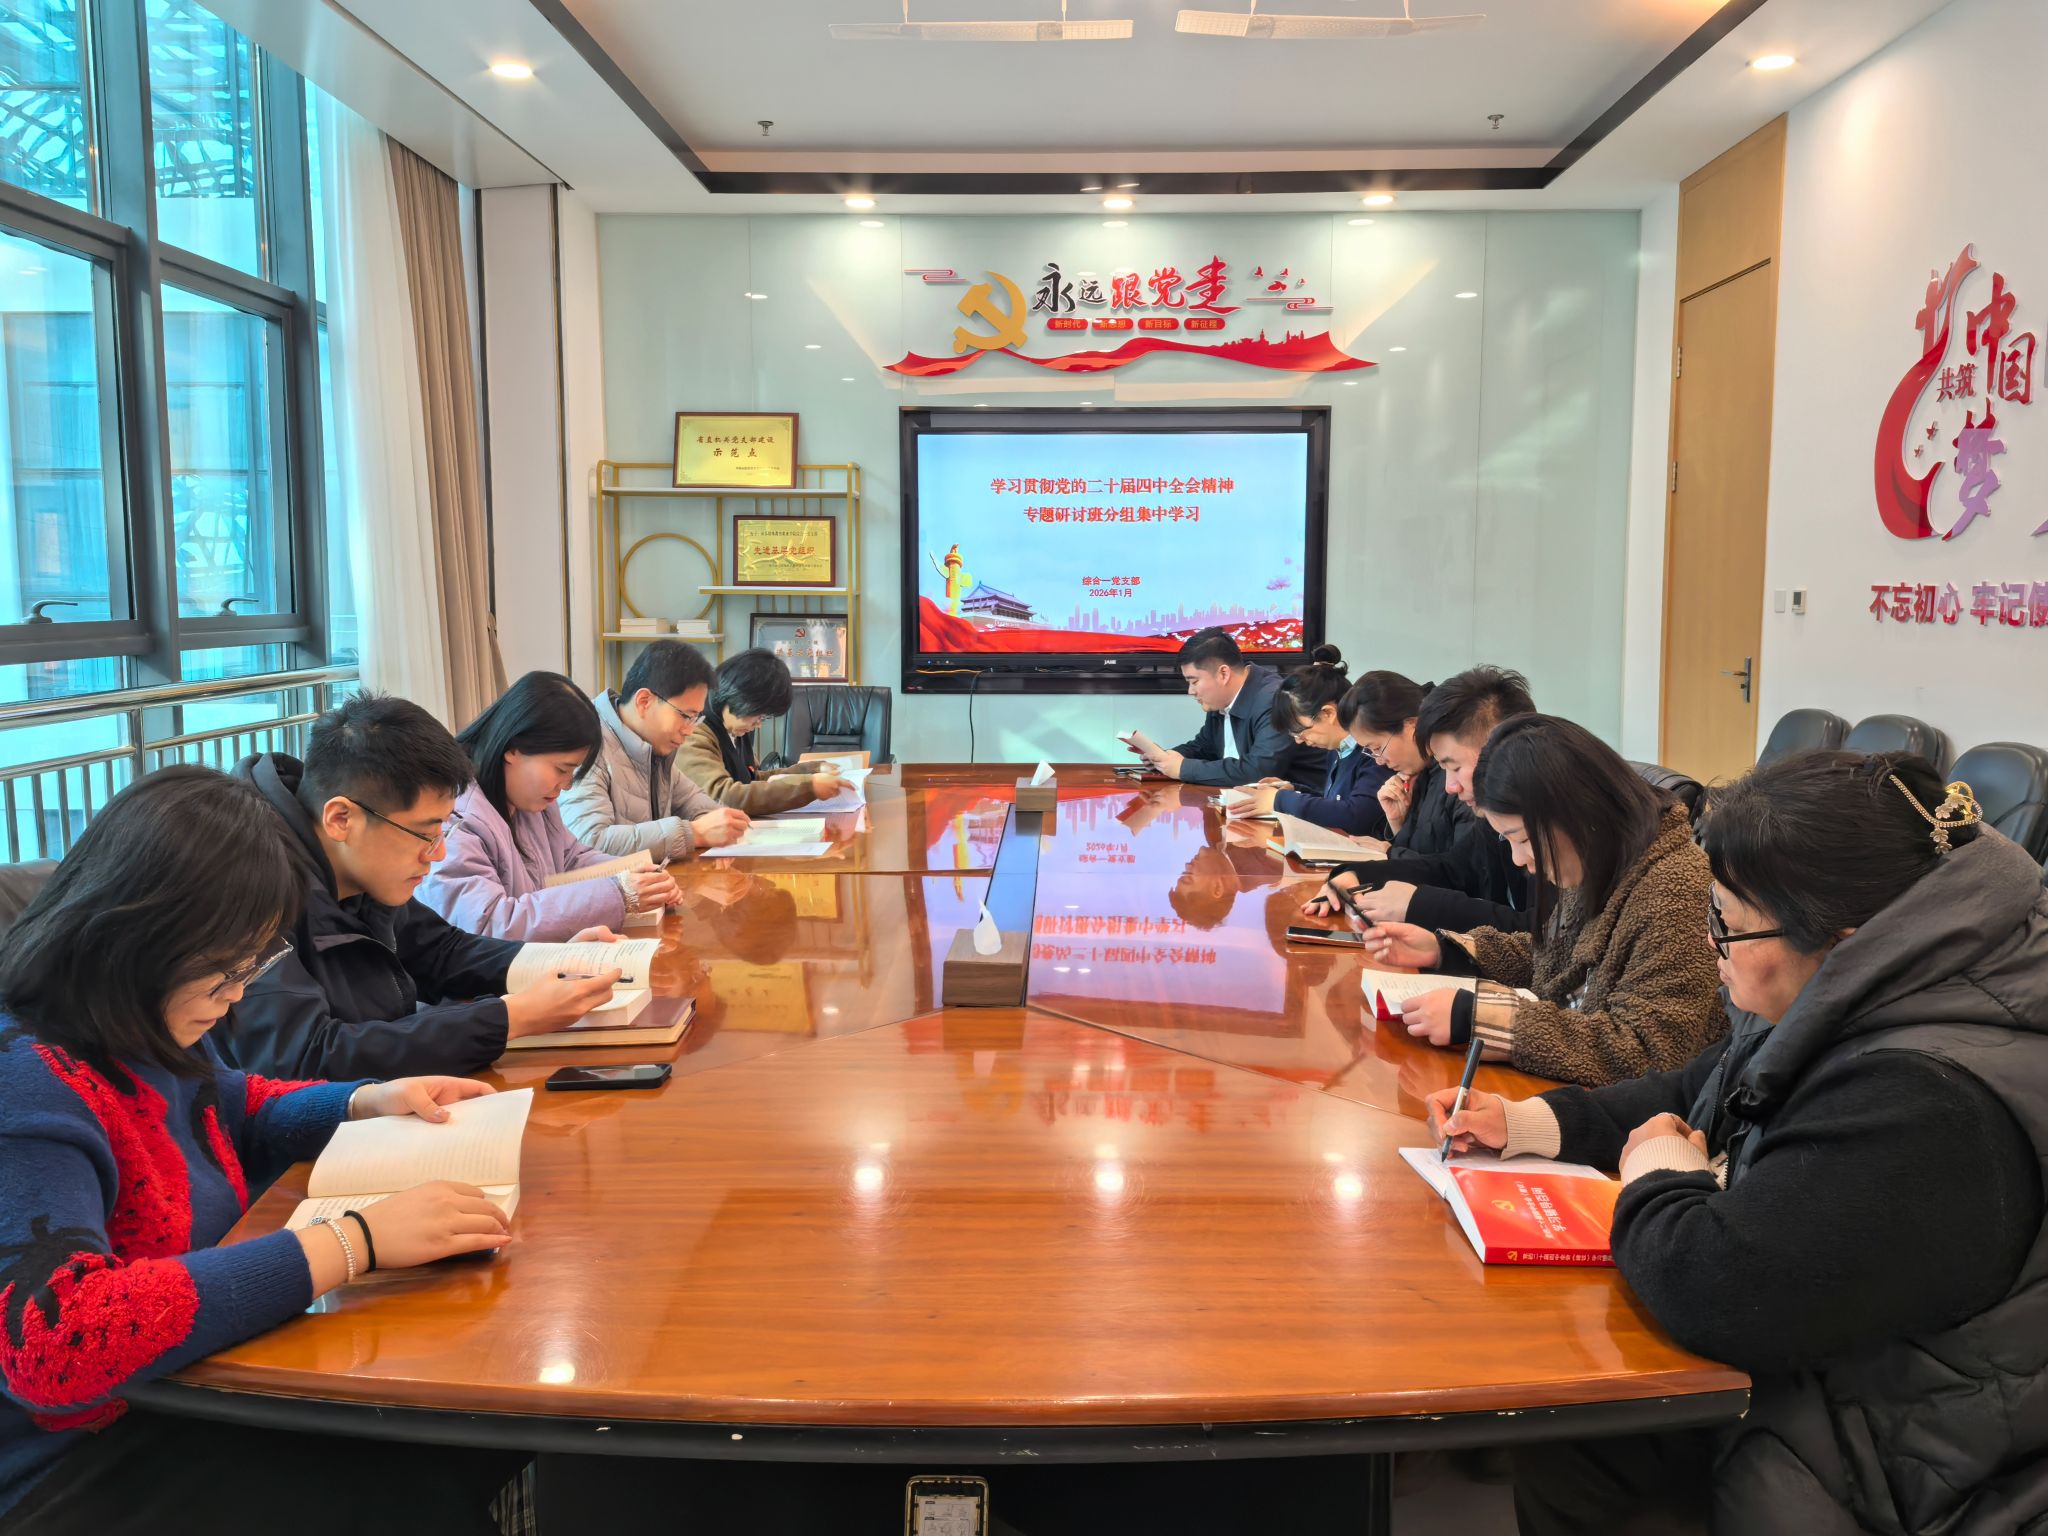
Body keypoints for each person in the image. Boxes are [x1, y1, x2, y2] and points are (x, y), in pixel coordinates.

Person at [1428, 751, 2048, 1536]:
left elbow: (1713, 1291)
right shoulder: (1869, 979)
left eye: (1726, 921)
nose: (1709, 940)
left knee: (1585, 1434)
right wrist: (1530, 1124)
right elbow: (1706, 1087)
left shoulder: (1931, 1101)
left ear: (1840, 937)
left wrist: (1657, 1172)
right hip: (1838, 1363)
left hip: (1898, 1461)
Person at [0, 766, 523, 1532]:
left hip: (193, 1385)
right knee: (415, 1474)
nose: (238, 994)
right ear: (140, 937)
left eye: (249, 967)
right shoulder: (27, 1085)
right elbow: (55, 1341)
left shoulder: (139, 1018)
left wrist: (364, 1101)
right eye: (225, 971)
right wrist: (353, 1241)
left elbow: (230, 1101)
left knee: (458, 1432)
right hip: (77, 1462)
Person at [224, 693, 625, 1081]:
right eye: (425, 833)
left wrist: (553, 960)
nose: (438, 853)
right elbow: (305, 1056)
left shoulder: (358, 868)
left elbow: (440, 950)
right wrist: (510, 1018)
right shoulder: (250, 891)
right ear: (341, 819)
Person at [1364, 713, 1724, 1086]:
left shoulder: (1676, 889)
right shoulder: (1604, 860)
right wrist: (1446, 951)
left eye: (1522, 839)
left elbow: (1648, 1053)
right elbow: (1552, 958)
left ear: (1579, 812)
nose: (1519, 859)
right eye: (1508, 840)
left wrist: (1488, 1021)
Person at [420, 672, 683, 940]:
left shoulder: (530, 801)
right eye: (561, 769)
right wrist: (618, 893)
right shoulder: (455, 819)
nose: (566, 785)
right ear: (513, 748)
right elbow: (490, 924)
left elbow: (569, 858)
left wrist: (635, 874)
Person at [1304, 664, 1535, 932]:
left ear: (1501, 751)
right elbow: (1453, 868)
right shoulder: (1481, 811)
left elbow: (1537, 931)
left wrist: (1417, 903)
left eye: (1455, 767)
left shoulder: (1550, 817)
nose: (1450, 786)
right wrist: (1358, 874)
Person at [561, 640, 750, 861]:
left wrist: (719, 824)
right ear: (644, 701)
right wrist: (694, 833)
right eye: (686, 716)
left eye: (696, 718)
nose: (690, 730)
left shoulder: (652, 747)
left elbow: (695, 802)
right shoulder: (586, 743)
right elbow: (589, 842)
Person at [1120, 628, 1324, 792]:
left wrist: (1182, 768)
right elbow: (1205, 747)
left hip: (1298, 810)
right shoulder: (1221, 700)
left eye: (1194, 681)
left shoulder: (1273, 699)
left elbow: (1259, 770)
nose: (1191, 691)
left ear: (1223, 674)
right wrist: (1164, 758)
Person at [1225, 645, 1393, 835]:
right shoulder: (1338, 750)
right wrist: (1293, 790)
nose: (1299, 741)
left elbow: (1356, 816)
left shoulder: (1373, 752)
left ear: (1328, 713)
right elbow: (1336, 802)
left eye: (1300, 731)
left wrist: (1279, 799)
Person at [677, 649, 845, 816]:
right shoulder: (694, 734)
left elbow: (752, 779)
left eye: (763, 718)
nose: (759, 725)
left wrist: (810, 770)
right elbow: (723, 797)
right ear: (738, 698)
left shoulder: (732, 727)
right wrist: (810, 787)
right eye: (758, 716)